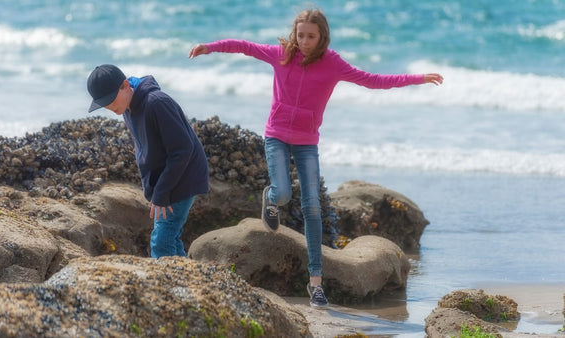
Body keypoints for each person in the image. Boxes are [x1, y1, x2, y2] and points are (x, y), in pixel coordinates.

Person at [188, 8, 443, 308]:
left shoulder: (332, 64)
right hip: (277, 136)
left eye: (311, 36)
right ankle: (270, 197)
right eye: (301, 35)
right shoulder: (281, 54)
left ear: (322, 36)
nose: (305, 41)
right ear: (295, 33)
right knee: (283, 193)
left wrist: (416, 79)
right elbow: (245, 46)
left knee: (312, 208)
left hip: (307, 142)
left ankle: (316, 284)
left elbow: (373, 79)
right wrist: (210, 47)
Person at [86, 64, 209, 258]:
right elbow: (145, 148)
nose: (110, 107)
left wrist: (161, 192)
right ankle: (189, 279)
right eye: (104, 104)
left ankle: (170, 283)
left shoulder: (156, 103)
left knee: (161, 242)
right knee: (170, 237)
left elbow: (183, 150)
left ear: (125, 85)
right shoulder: (127, 106)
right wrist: (151, 187)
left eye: (110, 100)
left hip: (183, 176)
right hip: (167, 177)